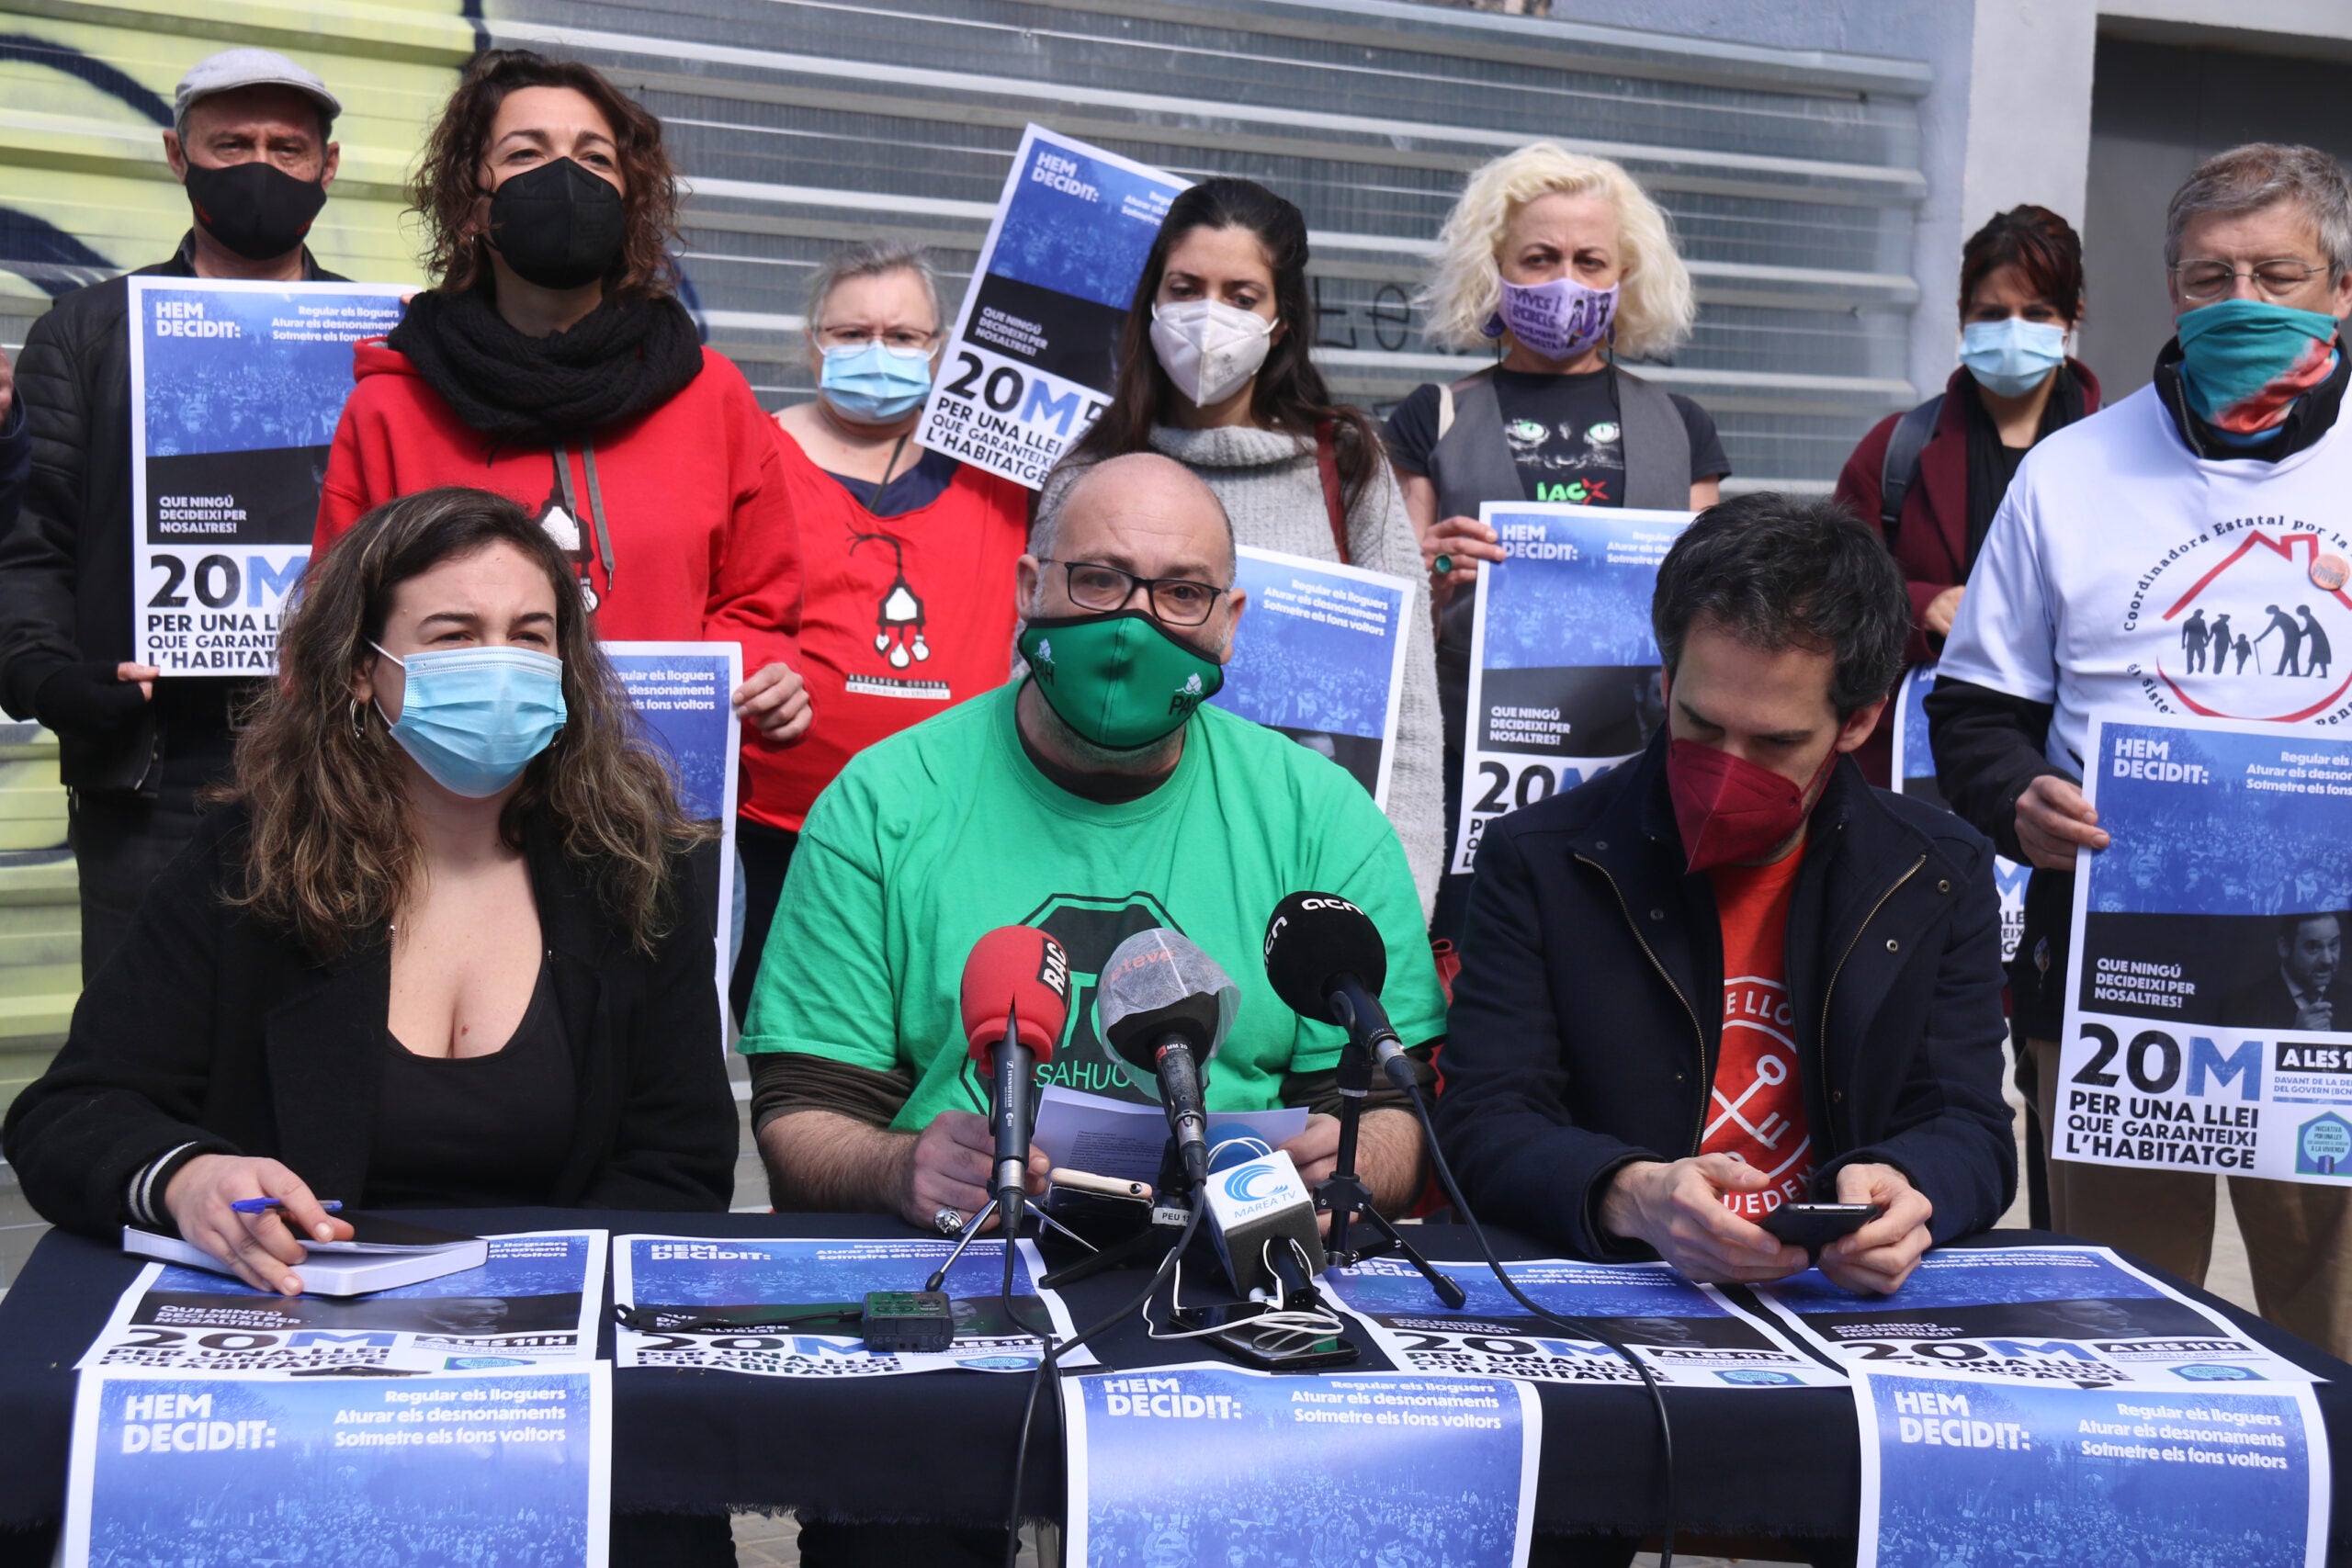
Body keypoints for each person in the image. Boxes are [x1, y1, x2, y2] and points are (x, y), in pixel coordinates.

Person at [742, 451, 1442, 1566]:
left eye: (1179, 593)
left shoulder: (1320, 819)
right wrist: (896, 1167)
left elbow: (1395, 1109)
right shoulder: (881, 802)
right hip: (963, 1288)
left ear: (1230, 621)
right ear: (1028, 586)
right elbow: (798, 1107)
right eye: (1098, 580)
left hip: (1229, 1300)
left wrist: (1349, 1170)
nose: (1131, 625)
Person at [3, 486, 735, 1279]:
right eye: (455, 635)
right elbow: (68, 1115)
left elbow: (681, 1166)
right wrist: (187, 1179)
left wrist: (529, 1304)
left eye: (530, 636)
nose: (500, 666)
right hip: (297, 1325)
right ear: (360, 670)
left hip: (554, 1332)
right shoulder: (247, 863)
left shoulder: (635, 874)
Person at [1929, 143, 2352, 1360]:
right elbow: (1975, 710)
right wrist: (2019, 800)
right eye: (2209, 278)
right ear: (2170, 289)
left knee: (2334, 1319)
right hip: (2116, 979)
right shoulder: (2072, 470)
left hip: (2330, 979)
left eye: (2279, 274)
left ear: (2340, 288)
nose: (2243, 306)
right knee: (2116, 1336)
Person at [1438, 494, 2014, 1300]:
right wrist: (1630, 1193)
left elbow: (1973, 1127)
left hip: (1842, 1302)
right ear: (1666, 680)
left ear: (1859, 721)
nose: (1724, 774)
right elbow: (1483, 1121)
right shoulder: (1542, 859)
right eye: (1701, 727)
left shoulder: (1937, 870)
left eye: (1775, 742)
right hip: (1628, 1296)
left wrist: (1910, 1184)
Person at [311, 50, 808, 819]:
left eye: (594, 156)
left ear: (629, 196)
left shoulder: (713, 394)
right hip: (450, 824)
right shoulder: (391, 410)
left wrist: (765, 674)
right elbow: (337, 627)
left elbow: (759, 601)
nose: (565, 177)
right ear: (475, 205)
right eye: (525, 153)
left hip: (665, 813)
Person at [0, 48, 346, 979]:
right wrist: (45, 677)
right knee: (139, 1064)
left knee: (321, 1052)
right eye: (231, 143)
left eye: (288, 146)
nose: (261, 167)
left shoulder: (383, 340)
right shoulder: (85, 332)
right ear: (175, 153)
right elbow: (30, 542)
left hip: (342, 776)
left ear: (329, 166)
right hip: (149, 780)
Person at [1040, 179, 1443, 914]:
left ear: (1282, 320)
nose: (1208, 317)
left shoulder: (1349, 467)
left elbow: (1411, 719)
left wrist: (1398, 908)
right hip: (1111, 872)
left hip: (1303, 873)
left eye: (1241, 295)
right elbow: (1033, 676)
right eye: (1186, 288)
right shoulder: (1084, 475)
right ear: (1152, 303)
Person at [1385, 144, 1731, 938]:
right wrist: (1430, 573)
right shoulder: (1432, 415)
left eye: (1590, 260)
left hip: (1641, 767)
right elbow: (1399, 602)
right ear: (1494, 270)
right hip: (1473, 774)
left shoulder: (1682, 426)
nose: (1566, 280)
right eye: (1539, 259)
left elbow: (1723, 612)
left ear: (1623, 277)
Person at [738, 240, 1027, 1021]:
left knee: (944, 1038)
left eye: (903, 337)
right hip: (782, 833)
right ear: (812, 342)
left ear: (940, 349)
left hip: (963, 825)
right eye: (852, 333)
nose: (878, 352)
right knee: (799, 1047)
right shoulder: (755, 451)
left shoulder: (1005, 470)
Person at [1834, 205, 2101, 783]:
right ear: (1962, 318)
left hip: (2070, 771)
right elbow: (1833, 595)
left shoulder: (2123, 455)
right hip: (1918, 770)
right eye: (1991, 313)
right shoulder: (1895, 450)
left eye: (2036, 313)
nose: (2013, 330)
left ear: (2071, 317)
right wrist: (1922, 605)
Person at [2226, 912, 2352, 1030]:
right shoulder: (2242, 1007)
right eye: (2313, 947)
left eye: (2333, 945)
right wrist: (2293, 1038)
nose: (2327, 960)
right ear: (2284, 947)